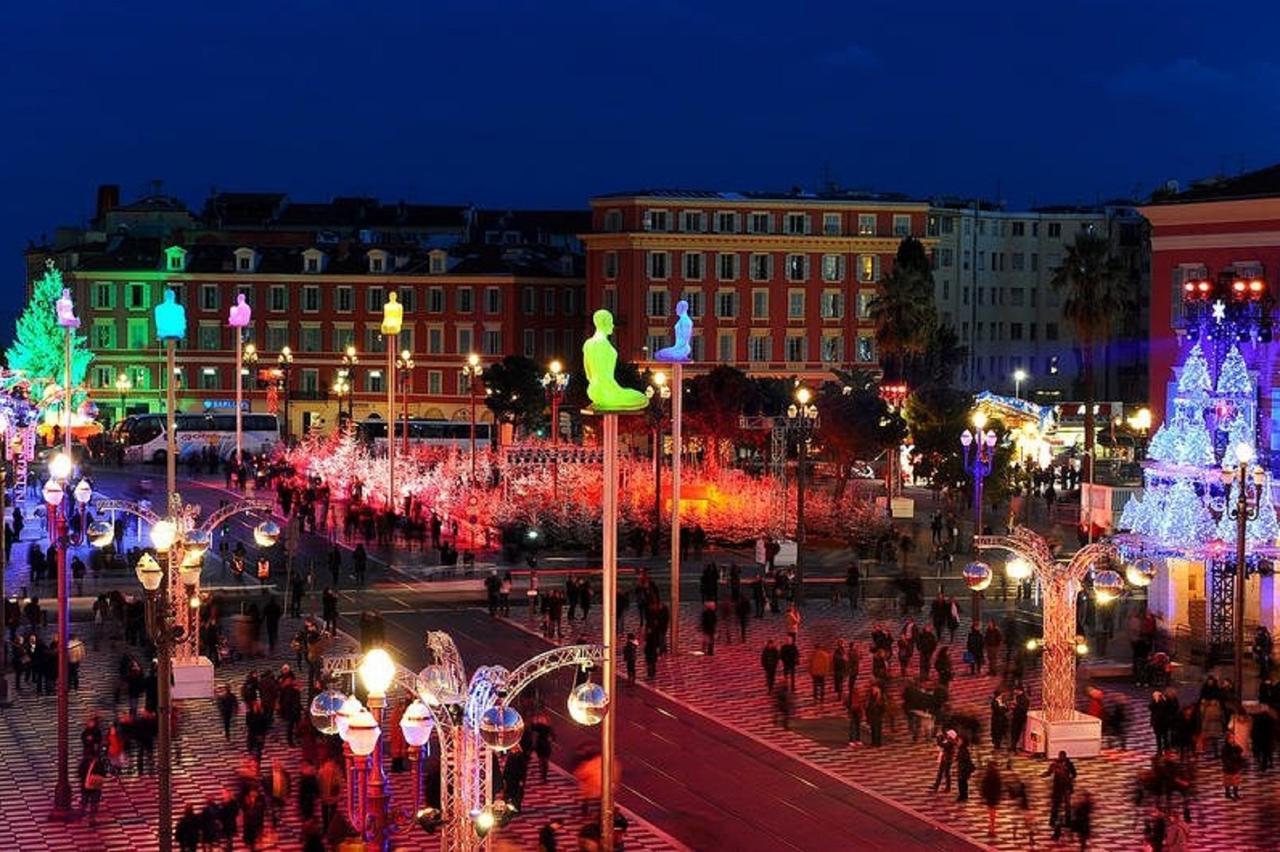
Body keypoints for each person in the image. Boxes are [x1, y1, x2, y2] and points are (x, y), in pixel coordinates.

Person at [1045, 749, 1077, 840]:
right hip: (1058, 788)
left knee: (1067, 805)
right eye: (1060, 756)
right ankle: (1053, 820)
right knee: (1056, 804)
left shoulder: (1069, 764)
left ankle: (1067, 821)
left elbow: (1074, 774)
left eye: (1062, 756)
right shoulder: (1055, 764)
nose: (1061, 758)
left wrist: (1070, 778)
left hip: (1066, 787)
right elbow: (1049, 772)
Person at [980, 760, 1003, 838]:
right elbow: (998, 786)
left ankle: (991, 829)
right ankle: (991, 830)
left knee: (991, 814)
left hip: (990, 796)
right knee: (992, 815)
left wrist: (983, 795)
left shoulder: (987, 774)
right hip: (993, 796)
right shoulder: (995, 774)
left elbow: (983, 786)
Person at [1221, 731, 1246, 799]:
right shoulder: (1225, 748)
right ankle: (1227, 793)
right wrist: (1229, 763)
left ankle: (1235, 793)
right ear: (1227, 739)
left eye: (1233, 737)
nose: (1232, 739)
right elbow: (1224, 758)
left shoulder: (1235, 746)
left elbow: (1240, 751)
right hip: (1228, 767)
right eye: (1231, 738)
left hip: (1235, 766)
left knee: (1236, 781)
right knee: (1228, 781)